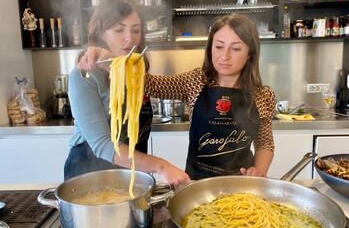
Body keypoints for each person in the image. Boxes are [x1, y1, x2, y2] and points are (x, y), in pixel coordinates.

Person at [80, 13, 275, 180]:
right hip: (198, 184)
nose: (224, 56)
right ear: (210, 48)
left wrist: (258, 171)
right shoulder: (195, 81)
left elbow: (264, 142)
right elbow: (146, 84)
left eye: (236, 48)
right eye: (219, 46)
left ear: (250, 53)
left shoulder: (263, 96)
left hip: (241, 186)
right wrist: (107, 59)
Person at [65, 0, 190, 186]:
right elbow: (103, 145)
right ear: (101, 33)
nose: (129, 39)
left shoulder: (136, 72)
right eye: (118, 30)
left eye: (136, 30)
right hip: (89, 175)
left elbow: (175, 86)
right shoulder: (83, 76)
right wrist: (162, 166)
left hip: (131, 173)